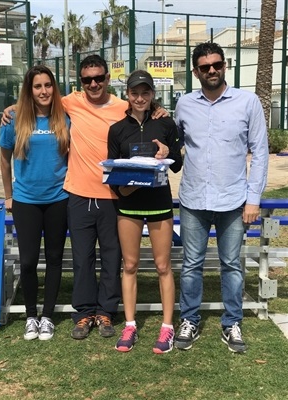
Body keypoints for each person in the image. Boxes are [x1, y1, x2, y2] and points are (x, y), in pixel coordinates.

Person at [1, 55, 167, 341]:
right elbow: (38, 100)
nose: (94, 84)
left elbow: (143, 105)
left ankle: (106, 312)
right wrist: (13, 107)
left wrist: (158, 109)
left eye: (99, 78)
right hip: (76, 194)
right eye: (87, 80)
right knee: (82, 258)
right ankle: (84, 313)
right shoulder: (70, 103)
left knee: (112, 258)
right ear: (81, 83)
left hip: (113, 195)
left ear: (107, 79)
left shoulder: (121, 106)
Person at [174, 42, 269, 353]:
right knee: (191, 265)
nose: (211, 70)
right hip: (193, 200)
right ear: (195, 71)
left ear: (225, 65)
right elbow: (170, 141)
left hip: (233, 201)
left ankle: (232, 323)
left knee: (231, 264)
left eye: (216, 64)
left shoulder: (247, 102)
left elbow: (260, 152)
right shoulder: (184, 104)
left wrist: (253, 199)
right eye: (205, 67)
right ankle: (189, 319)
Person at [107, 70, 182, 353]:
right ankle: (129, 325)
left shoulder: (166, 123)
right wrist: (127, 188)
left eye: (145, 93)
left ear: (152, 95)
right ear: (127, 94)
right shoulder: (117, 130)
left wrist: (166, 151)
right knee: (130, 265)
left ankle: (167, 328)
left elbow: (176, 165)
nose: (140, 98)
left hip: (160, 203)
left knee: (163, 266)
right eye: (135, 93)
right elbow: (113, 172)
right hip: (128, 205)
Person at [0, 65, 70, 341]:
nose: (44, 91)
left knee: (54, 258)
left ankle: (48, 316)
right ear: (30, 90)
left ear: (54, 88)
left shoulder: (65, 117)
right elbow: (4, 160)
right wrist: (8, 195)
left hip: (58, 199)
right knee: (28, 261)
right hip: (25, 200)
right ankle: (31, 316)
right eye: (37, 86)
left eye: (48, 85)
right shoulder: (15, 119)